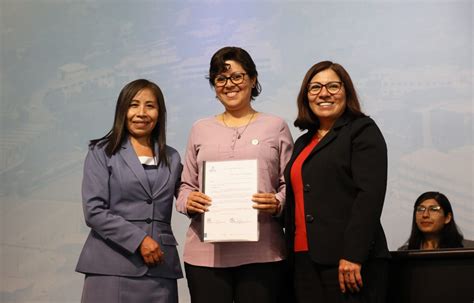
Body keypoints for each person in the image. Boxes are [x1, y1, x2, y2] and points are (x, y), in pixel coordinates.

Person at [176, 46, 293, 303]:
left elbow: (290, 184)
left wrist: (277, 202)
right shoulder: (200, 128)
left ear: (253, 79)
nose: (229, 84)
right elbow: (185, 186)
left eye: (237, 76)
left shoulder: (276, 126)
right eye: (220, 78)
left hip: (263, 253)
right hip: (205, 256)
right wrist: (188, 201)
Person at [284, 61, 390, 303]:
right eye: (315, 88)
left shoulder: (362, 131)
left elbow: (369, 196)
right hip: (303, 260)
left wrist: (354, 255)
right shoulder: (302, 143)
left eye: (333, 86)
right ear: (306, 96)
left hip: (348, 262)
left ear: (346, 92)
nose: (324, 93)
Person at [76, 79, 183, 302]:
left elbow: (186, 193)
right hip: (110, 267)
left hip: (160, 270)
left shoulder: (172, 157)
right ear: (122, 110)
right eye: (134, 105)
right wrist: (140, 240)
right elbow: (94, 211)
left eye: (150, 106)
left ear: (160, 113)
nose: (141, 113)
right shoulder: (102, 152)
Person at [398, 191, 473, 250]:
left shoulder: (469, 248)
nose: (425, 215)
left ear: (447, 218)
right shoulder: (404, 253)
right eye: (420, 209)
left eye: (433, 209)